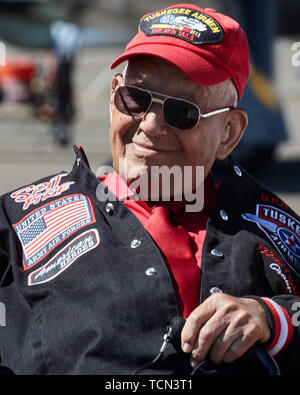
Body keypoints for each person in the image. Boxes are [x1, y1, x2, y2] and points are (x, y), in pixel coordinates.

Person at [0, 3, 299, 375]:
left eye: (182, 112)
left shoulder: (275, 229)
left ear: (229, 133)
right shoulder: (17, 219)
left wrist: (274, 318)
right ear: (114, 98)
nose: (152, 125)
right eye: (135, 100)